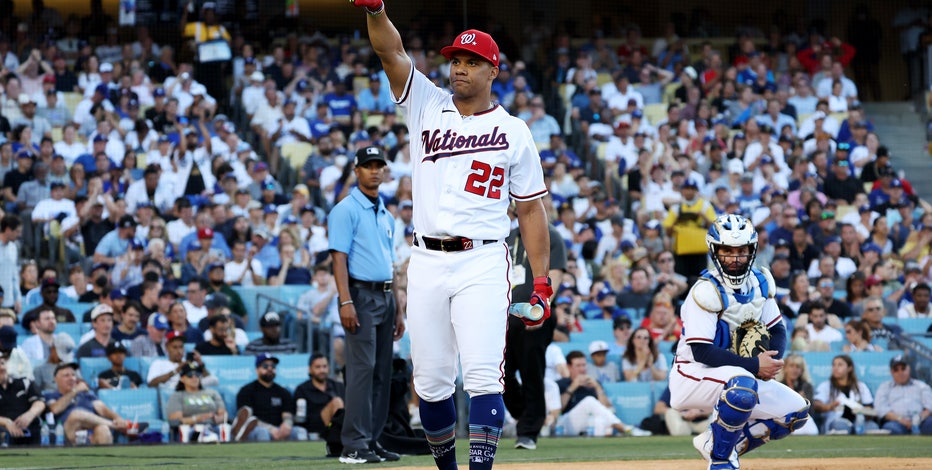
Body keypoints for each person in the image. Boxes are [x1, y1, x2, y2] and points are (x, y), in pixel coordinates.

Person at [352, 5, 554, 467]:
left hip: (482, 260)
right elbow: (391, 51)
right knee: (431, 381)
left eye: (471, 62)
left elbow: (530, 209)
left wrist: (541, 282)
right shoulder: (426, 102)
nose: (459, 68)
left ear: (493, 70)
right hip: (425, 259)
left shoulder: (513, 131)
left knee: (484, 375)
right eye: (456, 61)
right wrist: (376, 10)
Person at [670, 214, 808, 470]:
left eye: (741, 250)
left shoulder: (761, 282)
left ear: (752, 250)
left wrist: (770, 361)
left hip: (739, 371)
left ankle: (716, 443)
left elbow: (777, 327)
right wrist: (755, 366)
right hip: (692, 374)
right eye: (727, 250)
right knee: (742, 389)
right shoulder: (705, 290)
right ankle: (721, 460)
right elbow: (701, 351)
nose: (735, 258)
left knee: (795, 413)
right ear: (715, 250)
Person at [328, 145, 404, 464]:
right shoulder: (345, 209)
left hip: (385, 295)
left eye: (378, 166)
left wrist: (398, 306)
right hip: (359, 294)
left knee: (382, 372)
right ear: (356, 171)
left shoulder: (384, 212)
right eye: (367, 166)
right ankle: (354, 443)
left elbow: (390, 262)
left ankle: (372, 440)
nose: (374, 170)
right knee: (362, 370)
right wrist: (345, 300)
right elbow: (338, 258)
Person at [503, 211, 567, 450]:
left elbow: (556, 273)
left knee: (532, 371)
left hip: (534, 312)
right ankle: (526, 414)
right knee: (501, 373)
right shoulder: (507, 236)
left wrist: (543, 307)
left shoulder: (549, 234)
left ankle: (528, 431)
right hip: (506, 313)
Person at [556, 350, 649, 436]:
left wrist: (597, 388)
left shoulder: (594, 383)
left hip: (588, 423)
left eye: (584, 365)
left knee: (599, 421)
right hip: (566, 424)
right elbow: (557, 410)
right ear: (569, 367)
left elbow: (609, 409)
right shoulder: (562, 383)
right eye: (578, 366)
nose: (582, 369)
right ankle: (625, 428)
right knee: (589, 401)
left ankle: (596, 450)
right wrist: (572, 387)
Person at [45, 362, 128, 445]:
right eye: (66, 375)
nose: (71, 378)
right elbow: (54, 409)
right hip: (68, 434)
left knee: (103, 429)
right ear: (55, 379)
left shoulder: (86, 395)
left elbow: (102, 409)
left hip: (90, 435)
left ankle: (106, 457)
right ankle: (114, 426)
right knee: (76, 414)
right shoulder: (51, 395)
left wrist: (118, 418)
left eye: (73, 375)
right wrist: (75, 390)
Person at [233, 353, 307, 442]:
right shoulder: (246, 391)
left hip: (279, 428)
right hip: (256, 429)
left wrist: (287, 424)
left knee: (300, 432)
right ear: (257, 370)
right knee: (262, 432)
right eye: (265, 366)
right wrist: (270, 429)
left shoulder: (283, 391)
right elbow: (247, 418)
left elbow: (287, 414)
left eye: (273, 366)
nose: (270, 368)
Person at [165, 360, 227, 438]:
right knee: (197, 431)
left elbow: (223, 413)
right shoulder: (177, 396)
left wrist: (219, 419)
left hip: (213, 426)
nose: (194, 377)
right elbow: (176, 420)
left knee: (224, 429)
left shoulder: (212, 393)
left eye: (197, 374)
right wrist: (197, 418)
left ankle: (236, 431)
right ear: (182, 378)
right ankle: (207, 435)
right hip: (190, 429)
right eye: (190, 375)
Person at [874, 355, 932, 435]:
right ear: (891, 372)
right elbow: (881, 409)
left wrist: (918, 419)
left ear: (909, 369)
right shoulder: (884, 387)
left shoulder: (922, 386)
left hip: (921, 421)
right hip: (896, 422)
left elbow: (929, 407)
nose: (900, 373)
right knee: (890, 428)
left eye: (903, 369)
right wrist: (901, 420)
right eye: (896, 370)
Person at [293, 353, 345, 440]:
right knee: (337, 402)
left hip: (336, 425)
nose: (322, 370)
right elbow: (300, 419)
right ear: (310, 370)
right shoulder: (302, 389)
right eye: (318, 367)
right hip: (315, 428)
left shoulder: (338, 386)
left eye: (325, 366)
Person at [0, 354, 45, 446]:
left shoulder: (24, 382)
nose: (1, 368)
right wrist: (5, 422)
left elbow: (40, 402)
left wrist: (30, 414)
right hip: (3, 432)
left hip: (30, 429)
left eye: (2, 363)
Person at [773, 353, 819, 435]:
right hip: (782, 421)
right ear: (785, 368)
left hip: (803, 420)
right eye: (791, 366)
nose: (794, 370)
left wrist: (804, 403)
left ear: (802, 370)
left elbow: (811, 411)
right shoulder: (778, 386)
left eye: (798, 367)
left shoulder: (806, 386)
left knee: (812, 431)